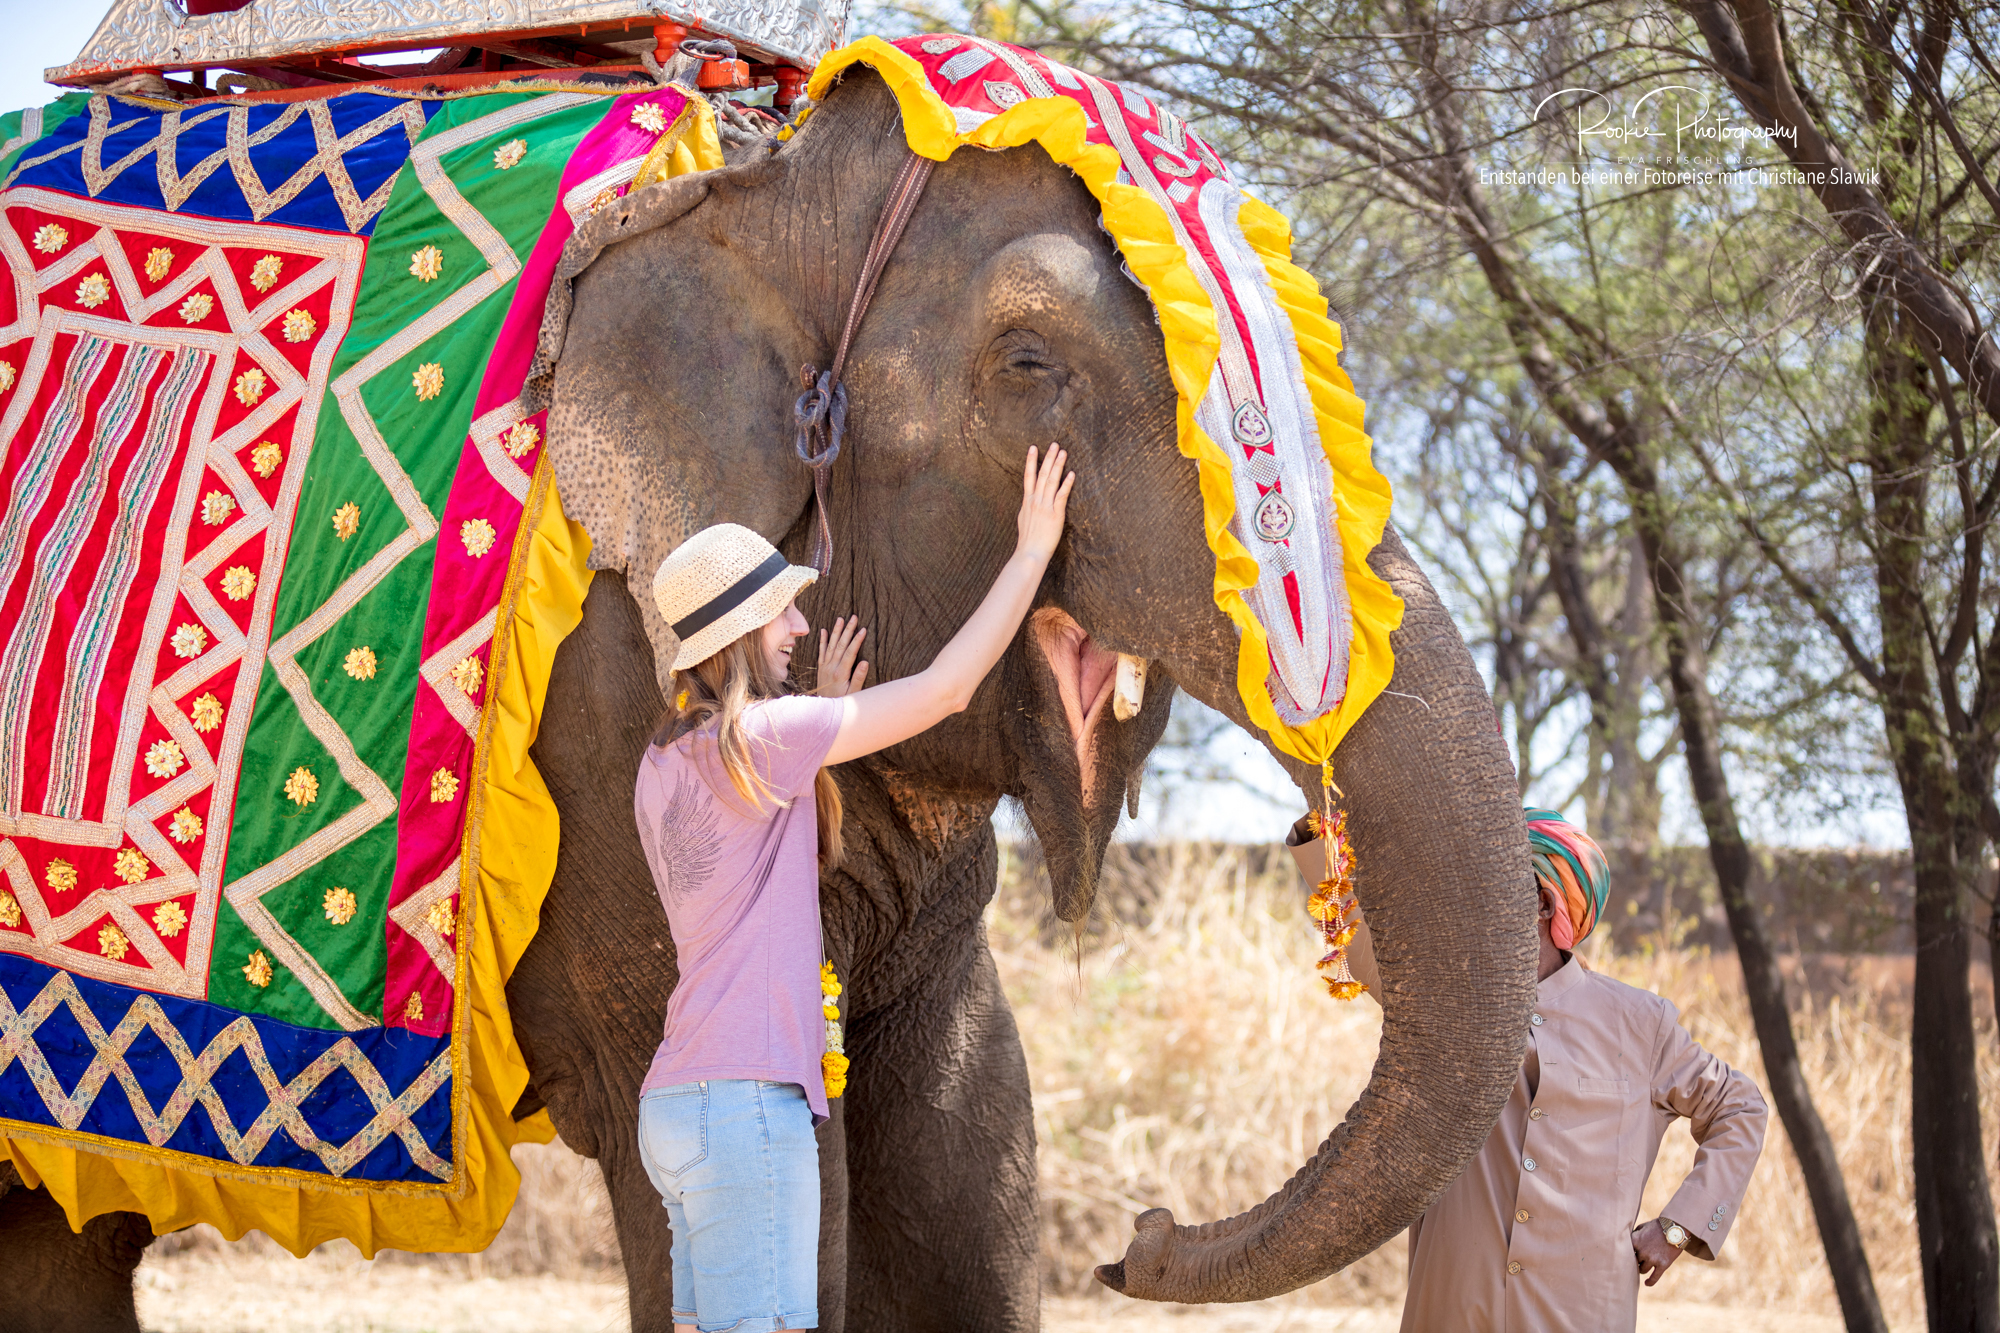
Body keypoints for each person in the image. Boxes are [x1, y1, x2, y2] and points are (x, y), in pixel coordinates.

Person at [633, 445, 1074, 1333]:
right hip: (747, 1110)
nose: (799, 626)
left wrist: (827, 714)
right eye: (781, 612)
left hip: (676, 1109)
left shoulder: (665, 765)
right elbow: (947, 690)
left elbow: (769, 864)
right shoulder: (767, 739)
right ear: (739, 636)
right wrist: (1032, 549)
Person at [1286, 807, 1768, 1332]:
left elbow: (1739, 1107)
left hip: (1579, 1317)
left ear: (1542, 903)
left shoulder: (1640, 1022)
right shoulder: (1444, 998)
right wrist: (1319, 828)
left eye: (1488, 882)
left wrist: (1679, 1227)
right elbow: (1355, 937)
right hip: (1453, 1311)